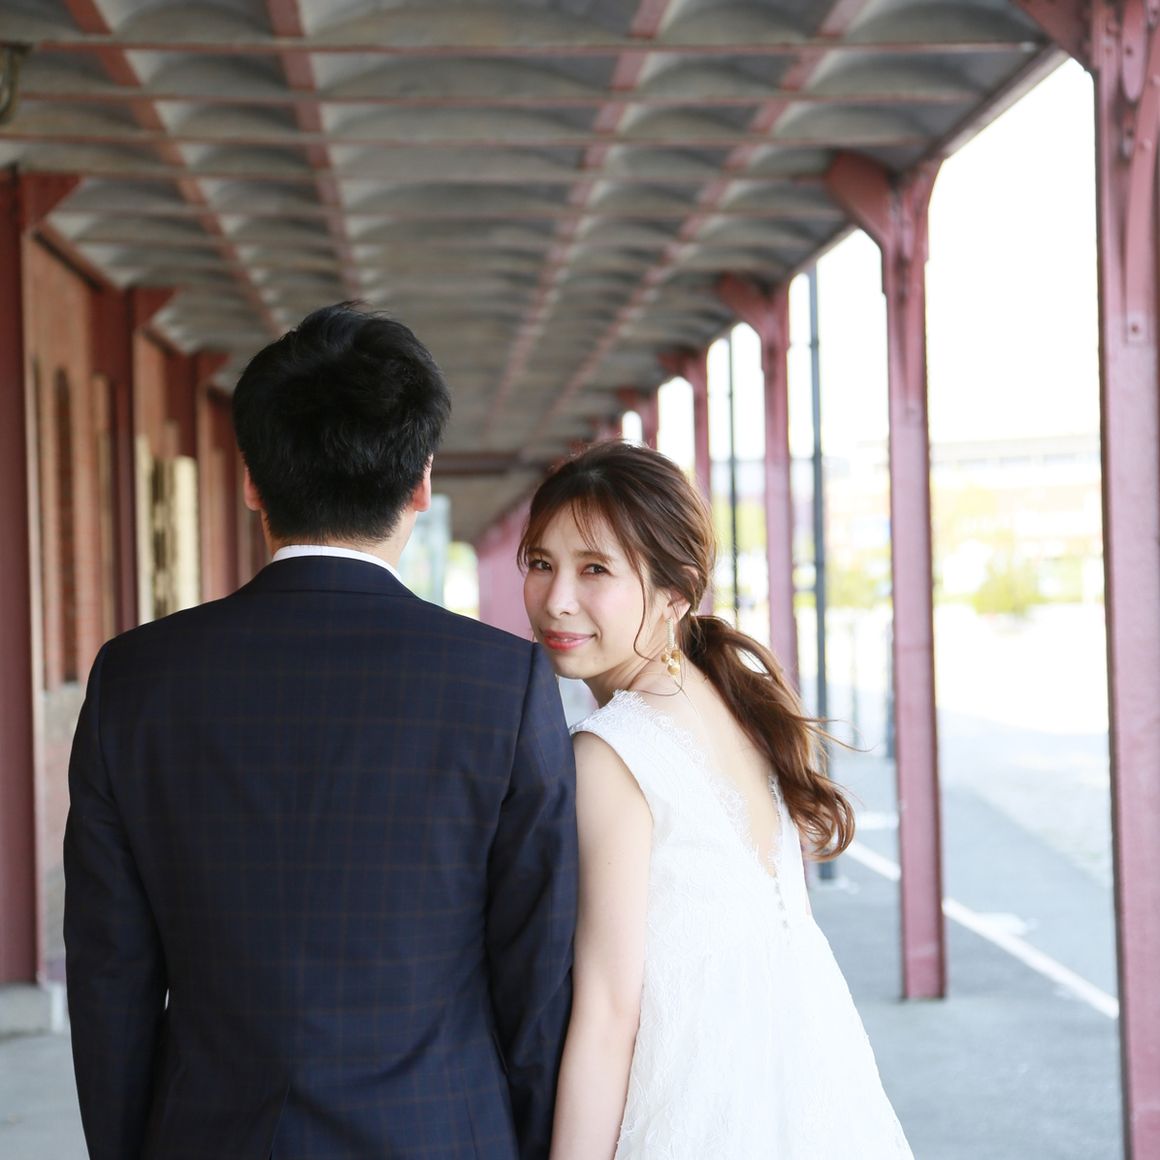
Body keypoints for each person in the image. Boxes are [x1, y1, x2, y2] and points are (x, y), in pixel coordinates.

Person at [64, 303, 577, 1160]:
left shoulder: (136, 679)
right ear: (420, 485)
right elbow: (537, 979)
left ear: (252, 482)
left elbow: (109, 976)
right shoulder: (502, 684)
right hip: (440, 1135)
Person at [521, 440, 913, 1159]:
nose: (557, 598)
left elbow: (609, 1017)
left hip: (697, 1108)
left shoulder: (610, 753)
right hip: (809, 1097)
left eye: (595, 569)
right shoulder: (734, 704)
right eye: (541, 563)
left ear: (676, 594)